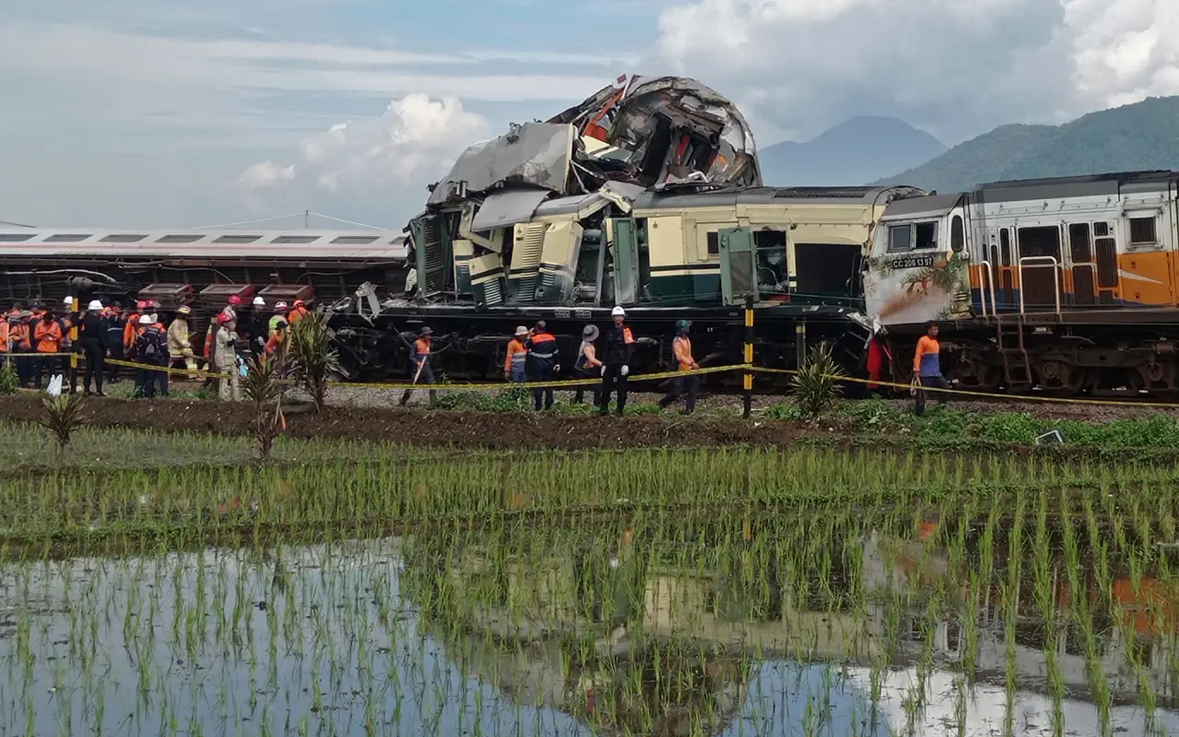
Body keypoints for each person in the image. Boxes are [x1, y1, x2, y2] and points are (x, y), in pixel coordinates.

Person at [598, 306, 635, 416]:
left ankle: (619, 410)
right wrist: (604, 364)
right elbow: (606, 348)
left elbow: (629, 348)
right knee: (606, 386)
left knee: (621, 387)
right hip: (610, 362)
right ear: (613, 318)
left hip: (621, 362)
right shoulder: (610, 331)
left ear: (623, 318)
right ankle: (603, 408)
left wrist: (626, 364)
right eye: (616, 316)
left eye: (620, 316)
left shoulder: (626, 331)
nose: (618, 318)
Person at [658, 320, 699, 413]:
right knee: (676, 392)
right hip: (680, 370)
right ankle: (662, 403)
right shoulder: (677, 341)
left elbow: (688, 354)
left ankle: (689, 410)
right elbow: (679, 357)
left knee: (693, 389)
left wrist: (693, 363)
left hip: (689, 369)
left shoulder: (687, 339)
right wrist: (691, 363)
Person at [913, 320, 949, 416]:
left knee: (946, 388)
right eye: (934, 329)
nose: (936, 331)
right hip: (926, 374)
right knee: (922, 396)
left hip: (936, 373)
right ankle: (919, 415)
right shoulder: (922, 340)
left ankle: (940, 408)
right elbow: (918, 355)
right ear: (929, 330)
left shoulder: (935, 342)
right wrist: (916, 370)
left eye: (937, 329)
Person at [525, 320, 558, 410]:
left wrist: (529, 335)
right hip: (549, 365)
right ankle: (548, 404)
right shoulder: (552, 338)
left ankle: (538, 406)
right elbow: (556, 352)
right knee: (548, 385)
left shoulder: (534, 339)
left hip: (537, 366)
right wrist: (556, 363)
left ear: (536, 328)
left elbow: (526, 346)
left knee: (538, 386)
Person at [399, 326, 435, 406]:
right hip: (417, 367)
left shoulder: (428, 343)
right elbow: (411, 356)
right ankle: (403, 401)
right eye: (428, 335)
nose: (430, 336)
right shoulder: (416, 343)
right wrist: (417, 363)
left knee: (432, 384)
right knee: (413, 384)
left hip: (426, 367)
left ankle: (433, 404)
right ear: (424, 335)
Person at [134, 314, 169, 398]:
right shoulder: (161, 330)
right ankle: (164, 393)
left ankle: (147, 393)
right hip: (159, 357)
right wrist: (167, 356)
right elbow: (163, 345)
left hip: (147, 357)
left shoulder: (145, 331)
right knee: (163, 376)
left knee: (150, 376)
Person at [79, 299, 108, 396]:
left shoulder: (85, 321)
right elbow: (102, 336)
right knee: (98, 369)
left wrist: (83, 346)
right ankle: (98, 390)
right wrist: (107, 348)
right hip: (97, 347)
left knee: (89, 368)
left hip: (88, 347)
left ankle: (86, 389)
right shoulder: (100, 322)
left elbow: (82, 334)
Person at [572, 325, 602, 405]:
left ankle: (578, 402)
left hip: (584, 368)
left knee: (581, 387)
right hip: (582, 369)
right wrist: (602, 364)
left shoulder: (587, 343)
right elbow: (591, 359)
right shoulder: (587, 346)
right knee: (596, 387)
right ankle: (595, 403)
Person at [33, 310, 63, 390]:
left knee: (52, 369)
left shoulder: (56, 325)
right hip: (41, 349)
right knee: (38, 368)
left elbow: (59, 336)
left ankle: (52, 385)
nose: (47, 322)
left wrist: (51, 334)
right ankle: (37, 385)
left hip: (52, 349)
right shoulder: (39, 325)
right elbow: (35, 336)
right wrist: (44, 334)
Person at [214, 314, 241, 402]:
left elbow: (231, 348)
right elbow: (230, 343)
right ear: (225, 324)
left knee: (234, 378)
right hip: (223, 359)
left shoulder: (228, 332)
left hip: (230, 358)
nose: (232, 323)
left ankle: (236, 398)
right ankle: (224, 398)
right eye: (229, 321)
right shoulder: (221, 332)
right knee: (225, 379)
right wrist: (233, 334)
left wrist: (235, 358)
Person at [168, 306, 198, 379]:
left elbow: (183, 335)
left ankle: (192, 375)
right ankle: (166, 379)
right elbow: (177, 337)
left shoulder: (183, 322)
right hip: (174, 347)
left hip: (182, 346)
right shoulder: (176, 323)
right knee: (170, 362)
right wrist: (188, 344)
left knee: (190, 358)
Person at [104, 303, 126, 384]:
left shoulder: (115, 316)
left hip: (117, 340)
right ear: (114, 307)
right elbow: (116, 319)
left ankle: (114, 375)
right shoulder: (113, 316)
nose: (120, 308)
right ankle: (111, 377)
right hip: (114, 341)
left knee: (118, 359)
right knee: (114, 360)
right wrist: (122, 316)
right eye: (118, 306)